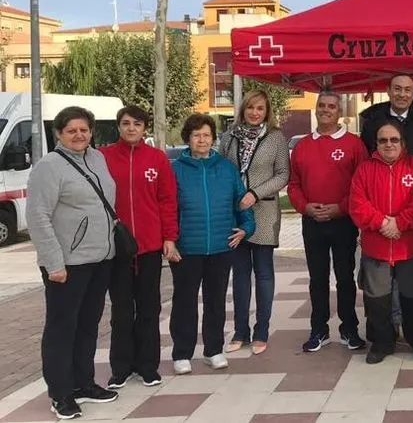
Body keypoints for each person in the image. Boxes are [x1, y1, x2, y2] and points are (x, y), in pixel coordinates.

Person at [28, 106, 120, 419]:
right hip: (66, 264)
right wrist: (54, 263)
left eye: (84, 129)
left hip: (100, 259)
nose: (79, 135)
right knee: (61, 329)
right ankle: (61, 393)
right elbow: (37, 217)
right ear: (58, 134)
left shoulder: (97, 158)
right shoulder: (49, 166)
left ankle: (84, 383)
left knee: (87, 327)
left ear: (91, 131)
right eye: (72, 131)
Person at [170, 114, 256, 376]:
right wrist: (170, 240)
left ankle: (213, 350)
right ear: (188, 138)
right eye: (196, 135)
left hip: (221, 246)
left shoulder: (226, 168)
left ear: (213, 138)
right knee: (184, 301)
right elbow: (168, 207)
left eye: (206, 135)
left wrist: (246, 228)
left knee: (216, 300)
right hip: (187, 247)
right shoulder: (176, 169)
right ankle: (182, 353)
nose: (202, 139)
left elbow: (242, 202)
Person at [100, 105, 179, 390]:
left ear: (144, 128)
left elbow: (167, 201)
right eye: (125, 123)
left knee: (148, 308)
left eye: (137, 123)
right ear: (118, 126)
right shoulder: (104, 157)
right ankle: (120, 367)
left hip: (148, 247)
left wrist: (169, 237)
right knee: (121, 310)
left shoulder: (156, 159)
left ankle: (148, 366)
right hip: (116, 248)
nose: (131, 128)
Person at [359, 74, 413, 332]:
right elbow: (365, 169)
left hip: (411, 222)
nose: (402, 94)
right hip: (379, 220)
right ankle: (383, 338)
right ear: (389, 91)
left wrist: (403, 221)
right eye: (397, 89)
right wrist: (382, 221)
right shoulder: (373, 122)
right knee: (379, 292)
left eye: (408, 90)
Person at [349, 121, 413, 364]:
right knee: (376, 300)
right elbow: (357, 204)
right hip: (376, 247)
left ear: (403, 142)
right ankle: (381, 343)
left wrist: (400, 223)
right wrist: (382, 223)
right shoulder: (365, 170)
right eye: (383, 140)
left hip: (410, 247)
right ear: (376, 144)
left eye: (394, 139)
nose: (388, 144)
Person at [288, 92, 369, 352]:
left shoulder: (354, 144)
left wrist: (340, 208)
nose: (326, 110)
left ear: (339, 111)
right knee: (317, 279)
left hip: (343, 221)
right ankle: (319, 330)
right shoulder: (302, 146)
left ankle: (349, 329)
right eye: (321, 105)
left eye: (331, 106)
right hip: (312, 222)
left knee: (345, 278)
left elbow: (362, 184)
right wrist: (305, 207)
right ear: (315, 109)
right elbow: (294, 185)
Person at [219, 90, 290, 355]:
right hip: (235, 213)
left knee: (263, 273)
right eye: (250, 108)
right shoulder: (229, 137)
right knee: (239, 275)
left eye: (260, 108)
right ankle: (240, 330)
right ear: (242, 109)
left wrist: (255, 193)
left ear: (267, 111)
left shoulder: (275, 138)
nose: (254, 113)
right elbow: (222, 170)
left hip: (264, 211)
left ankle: (261, 330)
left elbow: (283, 174)